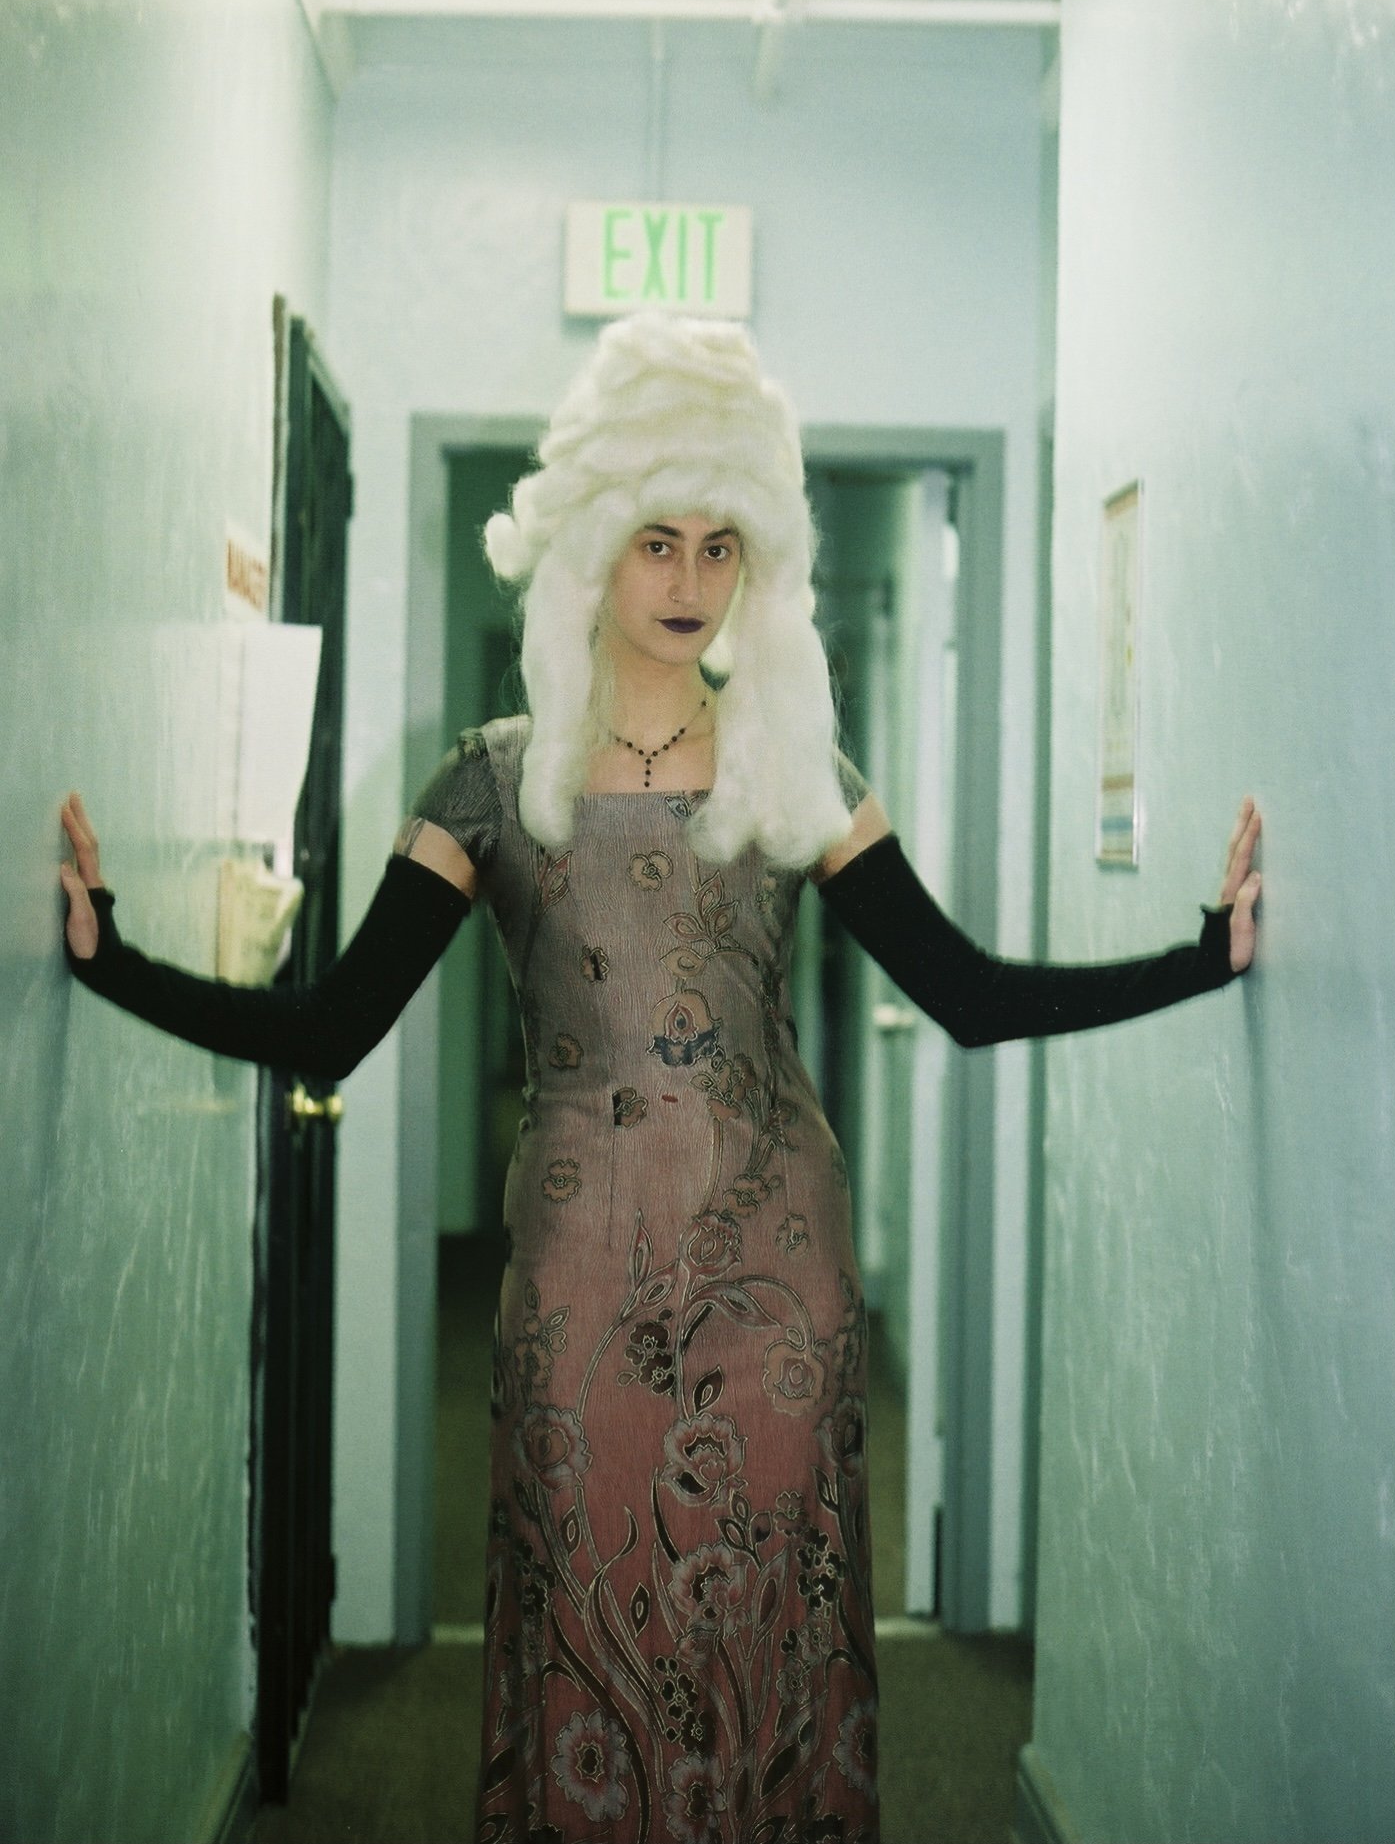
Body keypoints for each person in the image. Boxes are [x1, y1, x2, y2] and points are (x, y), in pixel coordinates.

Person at [61, 312, 1261, 1844]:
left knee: (762, 1621)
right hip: (578, 1276)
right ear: (590, 547)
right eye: (656, 542)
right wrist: (112, 958)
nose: (689, 581)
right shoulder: (491, 781)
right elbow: (332, 1025)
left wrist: (1204, 951)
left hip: (781, 1276)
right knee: (589, 1605)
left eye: (719, 546)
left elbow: (967, 994)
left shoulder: (794, 773)